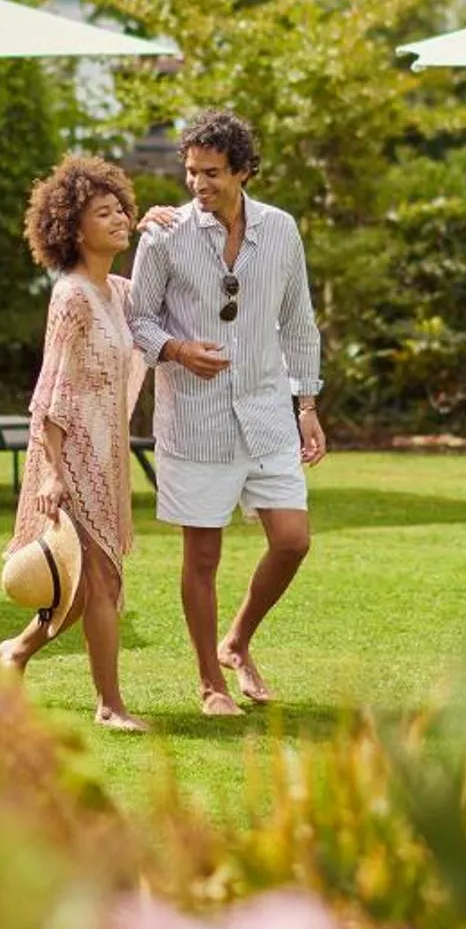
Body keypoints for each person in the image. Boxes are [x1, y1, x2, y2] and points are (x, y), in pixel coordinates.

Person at [129, 108, 325, 718]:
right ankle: (210, 682)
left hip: (266, 411)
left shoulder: (283, 231)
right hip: (195, 418)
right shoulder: (163, 235)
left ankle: (237, 641)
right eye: (191, 172)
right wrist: (181, 351)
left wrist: (308, 404)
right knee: (203, 556)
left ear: (243, 170)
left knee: (292, 542)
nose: (197, 185)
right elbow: (138, 318)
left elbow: (297, 322)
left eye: (211, 173)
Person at [0, 154, 150, 733]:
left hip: (106, 456)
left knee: (86, 589)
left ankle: (17, 650)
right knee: (102, 583)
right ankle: (110, 705)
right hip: (67, 453)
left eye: (121, 210)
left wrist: (165, 225)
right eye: (102, 213)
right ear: (72, 229)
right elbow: (51, 387)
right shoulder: (72, 297)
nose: (118, 220)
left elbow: (163, 298)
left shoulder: (116, 291)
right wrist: (51, 472)